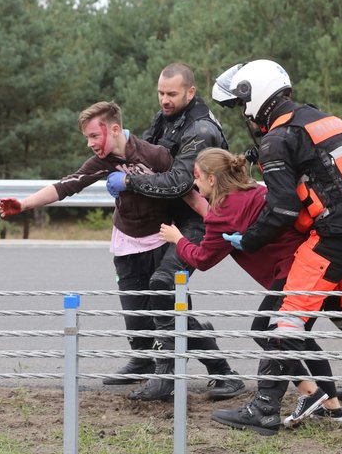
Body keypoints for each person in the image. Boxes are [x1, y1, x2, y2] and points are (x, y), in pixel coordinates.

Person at [208, 59, 342, 433]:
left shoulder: (278, 138)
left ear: (255, 98)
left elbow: (281, 208)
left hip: (339, 230)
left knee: (283, 320)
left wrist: (249, 240)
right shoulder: (317, 119)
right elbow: (317, 163)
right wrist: (259, 156)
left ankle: (264, 408)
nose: (244, 114)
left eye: (242, 105)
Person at [159, 147, 342, 435]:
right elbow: (229, 219)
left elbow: (202, 259)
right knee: (295, 336)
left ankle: (312, 395)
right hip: (311, 265)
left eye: (197, 177)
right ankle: (329, 405)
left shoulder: (222, 213)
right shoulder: (250, 192)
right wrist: (199, 205)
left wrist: (178, 238)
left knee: (267, 330)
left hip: (292, 274)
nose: (195, 183)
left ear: (211, 178)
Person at [0, 101, 172, 387]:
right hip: (126, 239)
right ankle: (141, 360)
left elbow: (182, 188)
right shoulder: (102, 162)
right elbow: (66, 185)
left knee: (164, 308)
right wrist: (24, 204)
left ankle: (185, 369)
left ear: (114, 129)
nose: (90, 144)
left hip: (160, 238)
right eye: (87, 138)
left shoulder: (155, 154)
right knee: (134, 306)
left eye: (93, 136)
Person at [105, 62, 245, 402]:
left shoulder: (200, 129)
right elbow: (148, 154)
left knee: (165, 286)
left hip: (201, 220)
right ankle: (147, 358)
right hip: (171, 219)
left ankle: (182, 376)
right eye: (161, 93)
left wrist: (130, 180)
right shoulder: (166, 117)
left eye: (172, 94)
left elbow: (178, 182)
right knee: (149, 289)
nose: (164, 100)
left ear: (190, 92)